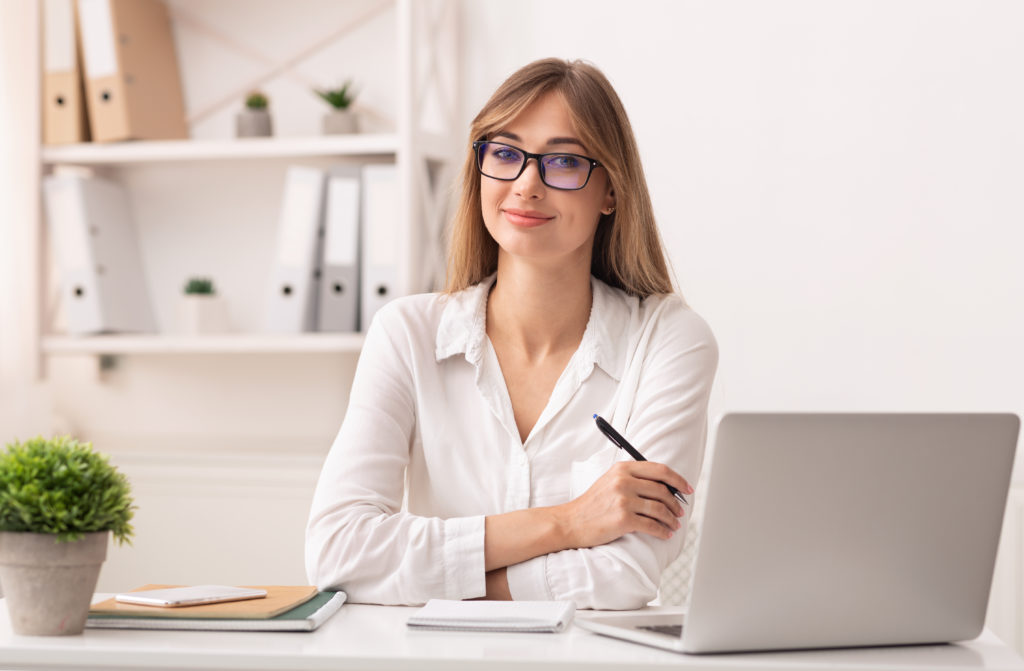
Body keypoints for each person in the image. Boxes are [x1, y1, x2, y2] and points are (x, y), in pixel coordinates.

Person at [305, 58, 717, 610]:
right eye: (504, 153)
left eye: (564, 161)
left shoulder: (669, 341)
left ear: (610, 192)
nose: (526, 185)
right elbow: (338, 551)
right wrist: (568, 522)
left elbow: (625, 575)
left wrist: (435, 582)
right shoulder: (407, 333)